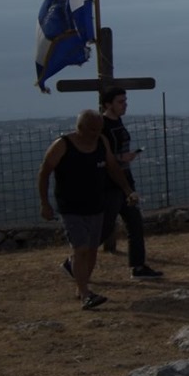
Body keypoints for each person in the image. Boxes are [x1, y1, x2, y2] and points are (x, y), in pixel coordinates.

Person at [37, 110, 135, 310]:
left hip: (96, 205)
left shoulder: (101, 142)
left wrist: (127, 190)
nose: (95, 134)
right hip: (71, 207)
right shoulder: (62, 145)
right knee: (80, 249)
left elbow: (112, 167)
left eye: (99, 130)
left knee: (91, 250)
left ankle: (82, 286)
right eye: (92, 130)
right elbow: (44, 172)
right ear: (80, 127)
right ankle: (85, 294)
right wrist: (44, 203)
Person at [98, 86, 162, 279]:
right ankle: (76, 259)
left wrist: (126, 157)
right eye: (120, 102)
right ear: (108, 104)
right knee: (105, 228)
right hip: (110, 183)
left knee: (134, 223)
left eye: (125, 101)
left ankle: (138, 266)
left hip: (126, 178)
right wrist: (121, 157)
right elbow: (101, 156)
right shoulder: (103, 126)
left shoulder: (117, 121)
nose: (125, 105)